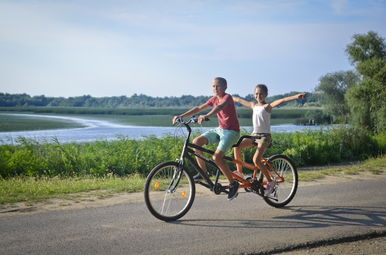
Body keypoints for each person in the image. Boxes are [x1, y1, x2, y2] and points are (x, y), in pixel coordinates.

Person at [172, 77, 241, 200]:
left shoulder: (227, 98)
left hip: (232, 132)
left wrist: (206, 116)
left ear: (225, 87)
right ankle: (203, 172)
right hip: (220, 129)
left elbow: (219, 107)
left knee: (217, 157)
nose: (215, 88)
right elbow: (199, 108)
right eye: (213, 86)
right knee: (196, 142)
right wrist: (181, 116)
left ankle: (233, 183)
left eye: (218, 86)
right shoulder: (214, 99)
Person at [232, 84, 306, 196]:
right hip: (254, 136)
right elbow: (238, 99)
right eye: (256, 93)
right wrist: (226, 96)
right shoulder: (253, 105)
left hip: (264, 137)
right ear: (254, 95)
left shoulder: (267, 106)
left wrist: (295, 97)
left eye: (261, 93)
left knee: (256, 159)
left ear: (266, 94)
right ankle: (239, 173)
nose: (258, 95)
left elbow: (283, 100)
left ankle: (271, 182)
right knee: (237, 146)